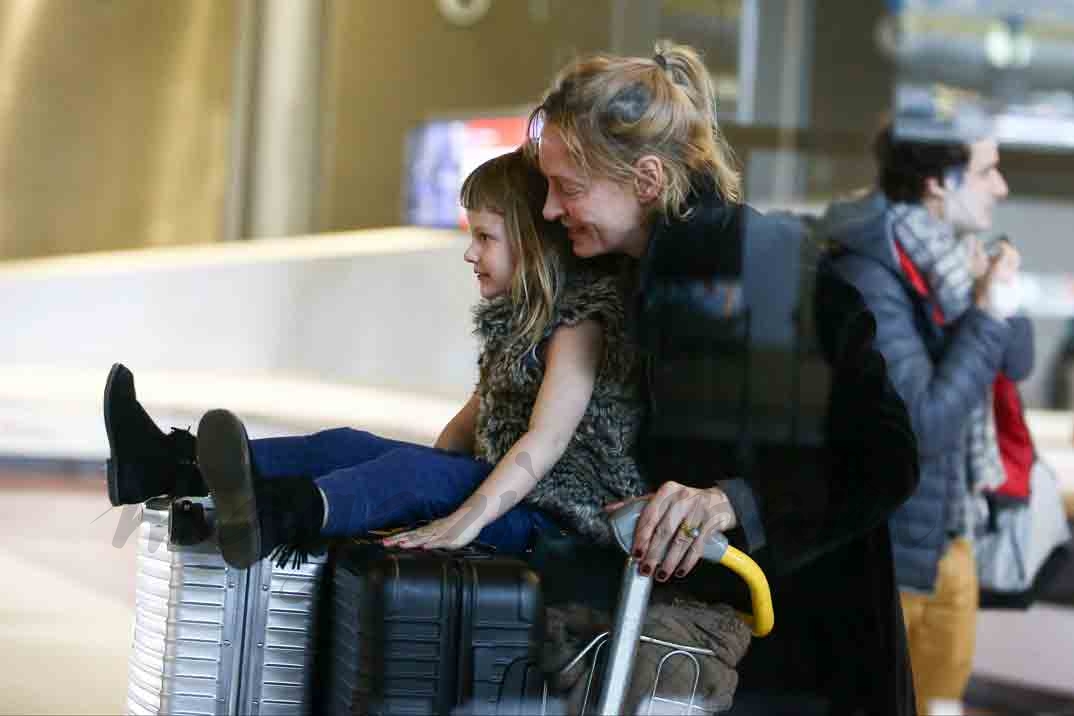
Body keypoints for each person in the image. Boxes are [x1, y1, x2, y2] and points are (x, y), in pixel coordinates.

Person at [529, 43, 921, 713]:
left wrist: (732, 501)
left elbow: (885, 456)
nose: (548, 209)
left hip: (804, 665)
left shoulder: (755, 267)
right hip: (718, 661)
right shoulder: (638, 281)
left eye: (568, 188)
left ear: (647, 180)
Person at [104, 147, 649, 569]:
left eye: (485, 237)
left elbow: (545, 439)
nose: (470, 253)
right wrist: (421, 482)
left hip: (553, 521)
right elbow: (468, 424)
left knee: (411, 475)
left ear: (533, 245)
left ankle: (277, 518)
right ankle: (167, 464)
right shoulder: (517, 324)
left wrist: (460, 518)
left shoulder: (582, 324)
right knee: (346, 446)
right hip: (506, 494)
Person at [817, 122, 1025, 713]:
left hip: (951, 538)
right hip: (894, 549)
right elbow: (924, 425)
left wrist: (992, 296)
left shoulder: (955, 264)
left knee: (939, 705)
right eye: (987, 171)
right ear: (938, 183)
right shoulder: (872, 273)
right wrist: (985, 312)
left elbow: (1019, 357)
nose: (1002, 188)